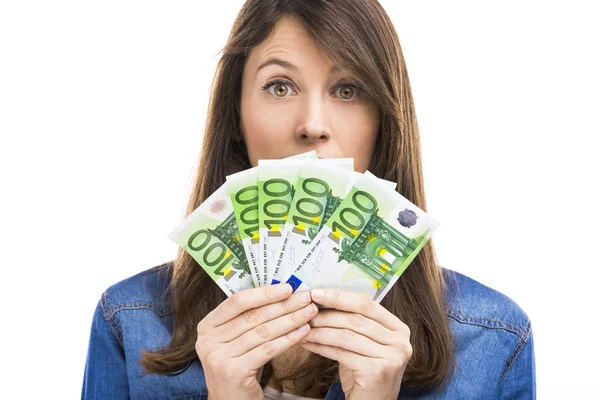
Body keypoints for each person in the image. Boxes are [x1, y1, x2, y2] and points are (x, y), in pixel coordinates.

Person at [81, 1, 536, 398]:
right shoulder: (130, 323)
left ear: (385, 123)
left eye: (347, 89)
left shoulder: (493, 341)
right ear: (235, 113)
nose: (312, 124)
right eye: (280, 86)